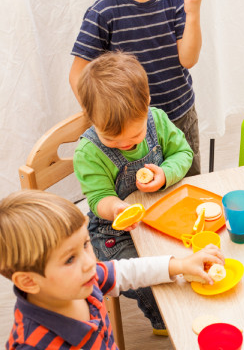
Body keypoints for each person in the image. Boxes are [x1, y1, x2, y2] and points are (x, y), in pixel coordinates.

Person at [0, 190, 224, 349]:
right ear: (28, 281)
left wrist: (181, 264)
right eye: (69, 259)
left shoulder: (84, 279)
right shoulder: (33, 344)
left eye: (86, 244)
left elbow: (127, 272)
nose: (89, 262)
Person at [73, 51, 193, 334]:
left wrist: (165, 173)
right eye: (112, 139)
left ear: (147, 105)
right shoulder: (88, 152)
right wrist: (116, 208)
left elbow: (183, 153)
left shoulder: (158, 121)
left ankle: (187, 306)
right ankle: (163, 321)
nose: (125, 145)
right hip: (112, 233)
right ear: (90, 119)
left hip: (160, 209)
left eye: (135, 136)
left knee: (194, 248)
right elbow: (98, 198)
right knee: (146, 276)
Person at [69, 0, 202, 176]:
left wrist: (193, 13)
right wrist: (106, 119)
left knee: (187, 186)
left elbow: (188, 59)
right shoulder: (103, 13)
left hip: (180, 115)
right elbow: (78, 75)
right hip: (132, 129)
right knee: (143, 192)